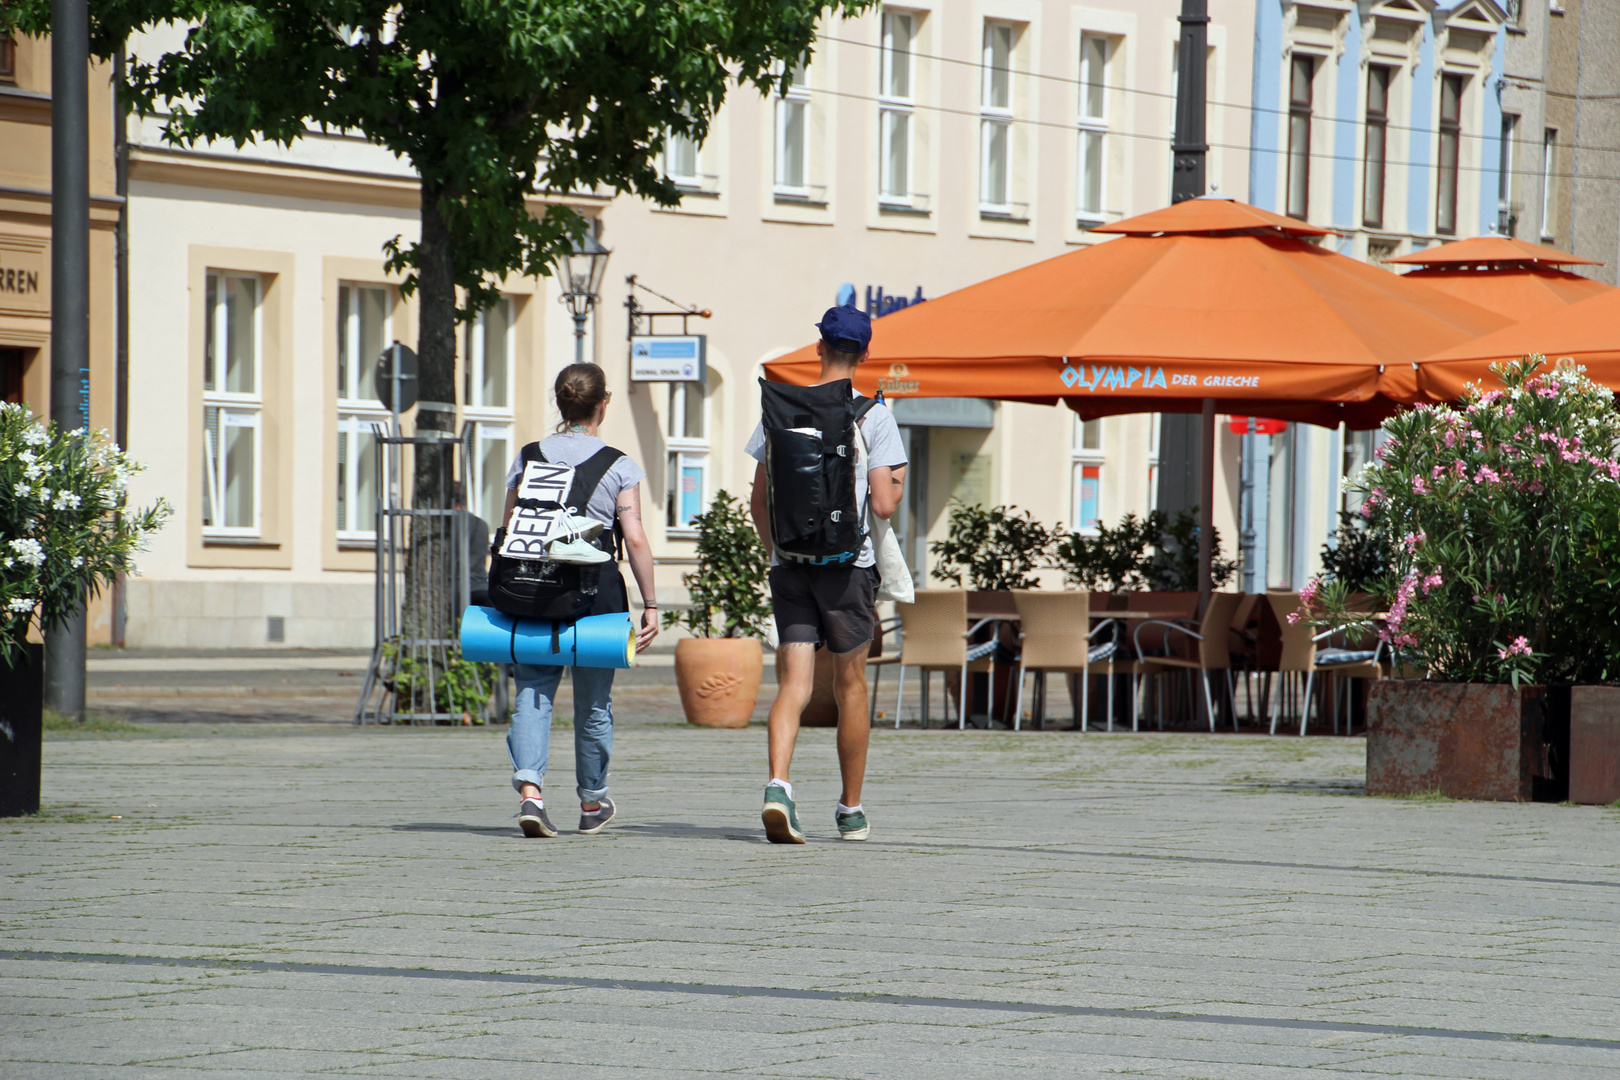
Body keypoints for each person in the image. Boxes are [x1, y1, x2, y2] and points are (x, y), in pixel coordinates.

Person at [746, 305, 907, 844]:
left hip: (790, 566)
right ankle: (851, 809)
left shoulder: (781, 407)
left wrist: (779, 551)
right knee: (850, 685)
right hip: (847, 570)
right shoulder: (872, 415)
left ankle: (777, 786)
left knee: (792, 684)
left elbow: (757, 500)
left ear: (818, 348)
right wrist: (899, 484)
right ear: (865, 356)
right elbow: (883, 506)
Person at [501, 363, 659, 838]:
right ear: (602, 404)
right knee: (594, 703)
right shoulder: (618, 464)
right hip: (596, 596)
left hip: (530, 591)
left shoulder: (527, 456)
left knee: (532, 693)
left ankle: (531, 792)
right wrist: (651, 603)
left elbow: (509, 529)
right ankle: (592, 803)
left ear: (560, 402)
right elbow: (633, 537)